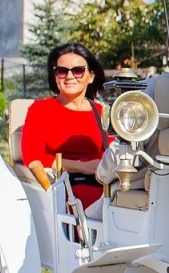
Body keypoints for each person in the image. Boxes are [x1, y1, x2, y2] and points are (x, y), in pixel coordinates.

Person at [20, 42, 111, 209]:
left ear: (90, 76)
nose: (69, 76)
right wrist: (82, 167)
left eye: (78, 70)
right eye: (62, 71)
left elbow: (111, 152)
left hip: (103, 188)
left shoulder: (100, 112)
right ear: (55, 77)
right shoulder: (40, 109)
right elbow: (33, 158)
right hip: (60, 190)